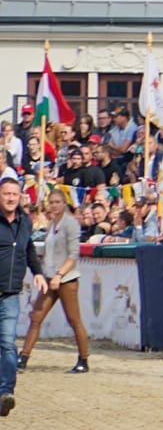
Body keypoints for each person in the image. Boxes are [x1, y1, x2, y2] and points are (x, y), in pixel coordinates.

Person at [17, 189, 90, 375]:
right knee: (36, 316)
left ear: (64, 204)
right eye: (52, 202)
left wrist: (59, 274)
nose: (54, 205)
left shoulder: (71, 224)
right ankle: (23, 357)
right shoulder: (51, 224)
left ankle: (83, 358)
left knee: (74, 320)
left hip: (66, 278)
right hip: (50, 277)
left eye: (58, 202)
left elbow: (73, 254)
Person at [0, 177, 49, 417]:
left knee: (8, 343)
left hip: (10, 294)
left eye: (14, 194)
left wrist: (38, 272)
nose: (10, 198)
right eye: (6, 193)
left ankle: (6, 392)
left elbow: (28, 249)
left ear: (20, 196)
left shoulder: (25, 222)